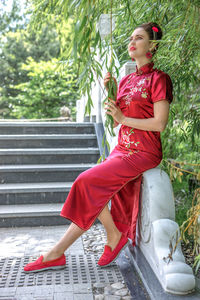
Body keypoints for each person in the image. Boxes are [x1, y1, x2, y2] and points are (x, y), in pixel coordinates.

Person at [24, 22, 173, 273]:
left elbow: (159, 124)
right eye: (131, 37)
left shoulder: (160, 79)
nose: (132, 41)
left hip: (143, 152)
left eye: (139, 38)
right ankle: (62, 252)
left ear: (152, 46)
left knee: (85, 181)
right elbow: (117, 123)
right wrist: (111, 92)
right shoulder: (124, 81)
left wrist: (124, 119)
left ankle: (70, 249)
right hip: (123, 149)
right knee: (91, 190)